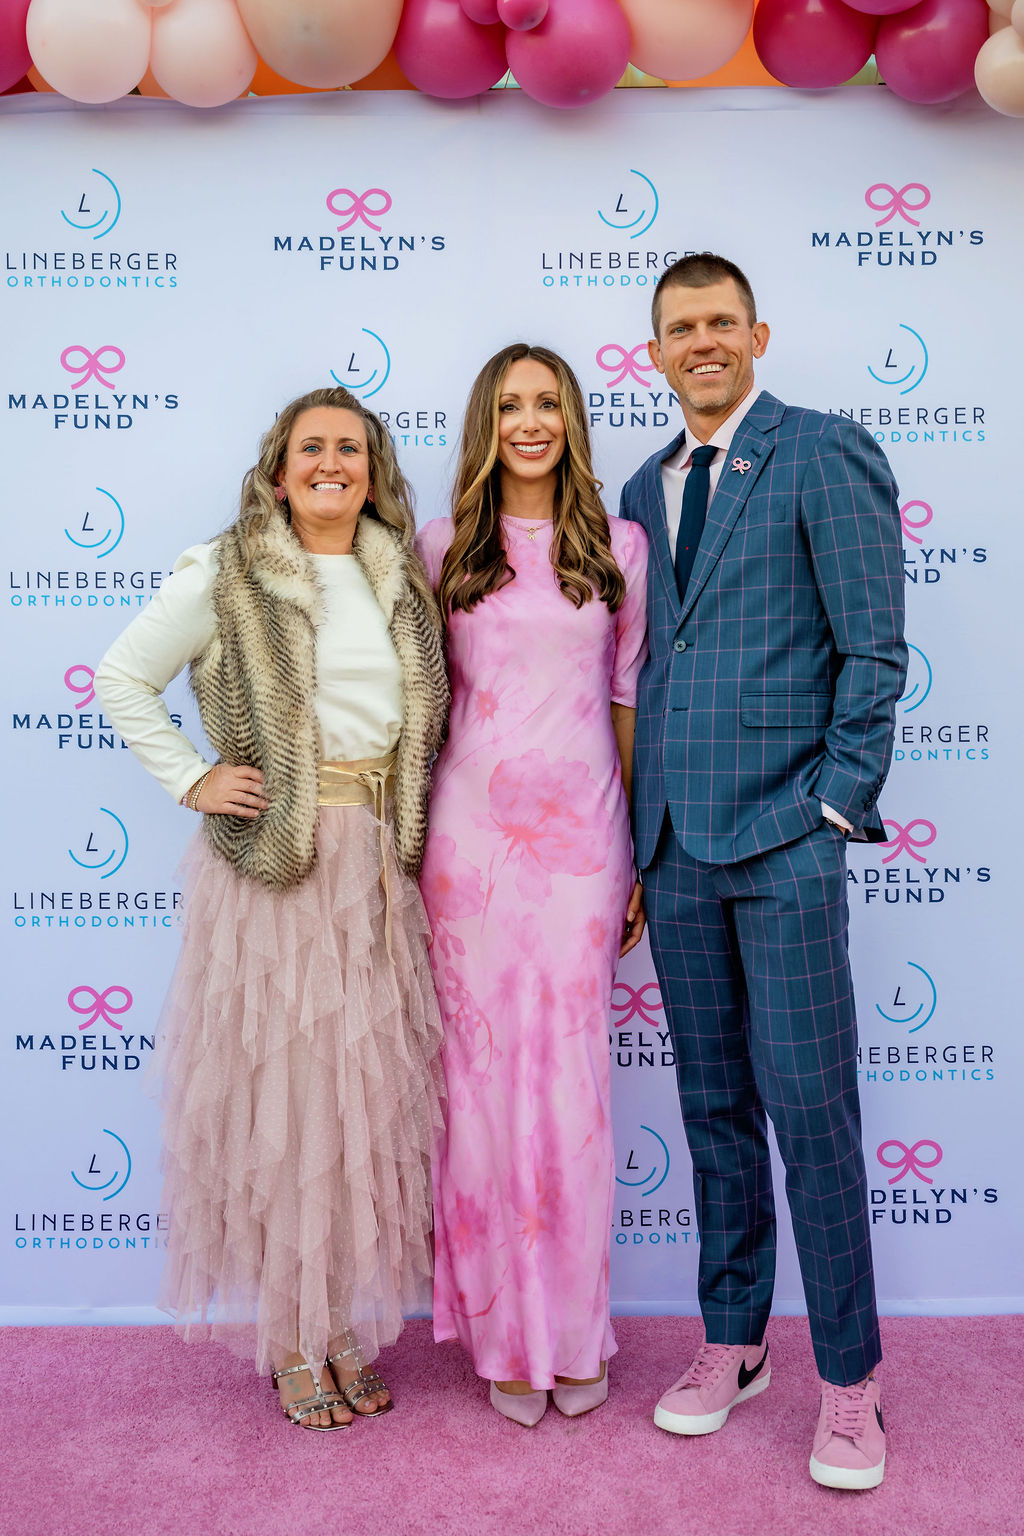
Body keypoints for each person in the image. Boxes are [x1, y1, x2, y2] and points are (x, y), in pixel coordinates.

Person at [95, 386, 449, 1431]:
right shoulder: (228, 570)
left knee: (358, 1109)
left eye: (350, 448)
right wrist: (191, 777)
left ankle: (337, 1324)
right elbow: (122, 676)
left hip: (375, 868)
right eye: (311, 448)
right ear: (279, 469)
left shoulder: (399, 576)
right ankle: (293, 1339)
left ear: (373, 471)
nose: (331, 462)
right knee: (289, 1106)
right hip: (278, 870)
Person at [619, 254, 906, 1489]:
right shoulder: (640, 484)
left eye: (720, 323)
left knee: (812, 1116)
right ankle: (733, 1342)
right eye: (680, 328)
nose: (702, 342)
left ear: (758, 335)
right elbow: (654, 662)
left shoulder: (822, 451)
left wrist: (830, 807)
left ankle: (849, 1382)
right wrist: (636, 840)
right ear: (654, 353)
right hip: (676, 849)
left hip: (784, 842)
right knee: (713, 1114)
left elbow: (874, 651)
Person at [416, 344, 649, 1426]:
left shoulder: (622, 546)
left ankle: (576, 1330)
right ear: (486, 422)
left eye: (548, 402)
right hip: (467, 853)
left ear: (572, 419)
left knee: (573, 1090)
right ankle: (507, 1337)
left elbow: (627, 702)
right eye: (510, 404)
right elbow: (416, 704)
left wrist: (639, 846)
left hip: (583, 850)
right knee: (478, 1087)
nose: (530, 421)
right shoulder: (440, 548)